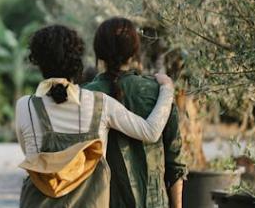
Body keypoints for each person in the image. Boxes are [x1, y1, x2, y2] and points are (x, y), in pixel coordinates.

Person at [15, 25, 175, 208]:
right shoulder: (100, 104)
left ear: (38, 61)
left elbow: (29, 153)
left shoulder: (25, 106)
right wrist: (167, 88)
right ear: (77, 60)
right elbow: (150, 131)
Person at [84, 17, 187, 208]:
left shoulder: (85, 96)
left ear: (99, 52)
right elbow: (175, 163)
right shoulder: (158, 92)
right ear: (134, 51)